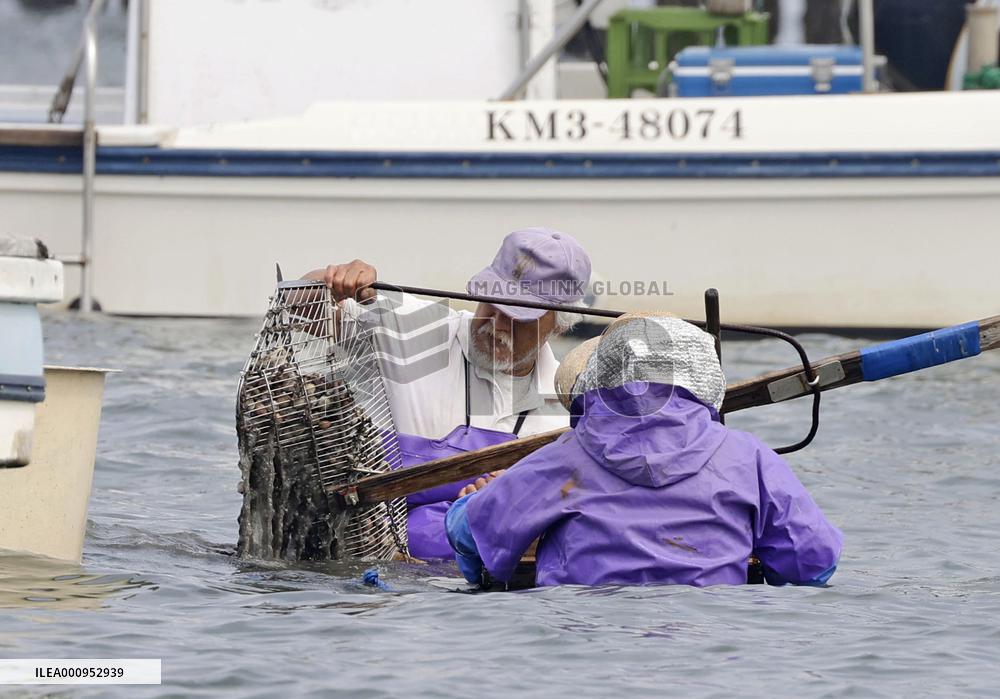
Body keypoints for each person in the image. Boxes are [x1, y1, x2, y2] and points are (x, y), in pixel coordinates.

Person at [445, 314, 843, 587]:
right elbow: (813, 563)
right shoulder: (748, 456)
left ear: (598, 376)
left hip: (581, 644)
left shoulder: (565, 457)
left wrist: (469, 505)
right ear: (700, 377)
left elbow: (474, 539)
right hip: (713, 644)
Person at [303, 227, 592, 560]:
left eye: (518, 316)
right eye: (492, 303)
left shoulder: (565, 415)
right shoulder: (412, 326)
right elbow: (297, 312)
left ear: (559, 324)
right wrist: (333, 282)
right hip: (361, 580)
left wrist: (500, 507)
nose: (497, 323)